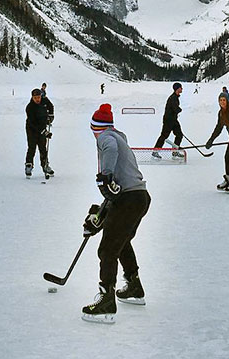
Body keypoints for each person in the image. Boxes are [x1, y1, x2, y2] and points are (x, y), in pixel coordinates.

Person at [82, 104, 151, 324]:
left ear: (96, 127)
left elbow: (109, 152)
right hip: (139, 197)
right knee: (121, 242)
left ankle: (106, 302)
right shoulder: (120, 138)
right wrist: (99, 217)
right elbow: (116, 193)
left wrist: (106, 176)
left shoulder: (106, 137)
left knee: (108, 249)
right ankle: (134, 286)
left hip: (130, 199)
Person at [25, 87, 55, 178]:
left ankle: (45, 165)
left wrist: (50, 115)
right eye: (35, 98)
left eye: (38, 97)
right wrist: (44, 132)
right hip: (31, 129)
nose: (37, 99)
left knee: (43, 148)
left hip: (42, 126)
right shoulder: (30, 107)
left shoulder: (44, 101)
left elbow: (51, 106)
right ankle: (29, 165)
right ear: (32, 98)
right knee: (32, 148)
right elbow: (33, 123)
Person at [153, 83, 185, 159]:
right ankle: (155, 151)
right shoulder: (173, 98)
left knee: (179, 135)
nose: (182, 89)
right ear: (177, 89)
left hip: (174, 120)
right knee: (164, 136)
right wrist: (180, 109)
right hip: (168, 120)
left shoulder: (175, 97)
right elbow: (176, 109)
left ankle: (175, 151)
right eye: (181, 88)